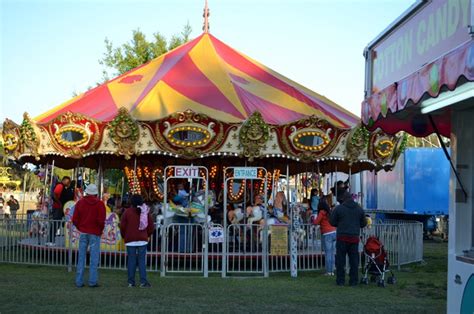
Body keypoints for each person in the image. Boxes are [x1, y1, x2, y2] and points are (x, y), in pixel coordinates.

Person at [329, 189, 367, 286]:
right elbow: (364, 223)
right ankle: (353, 281)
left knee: (340, 261)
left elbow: (332, 222)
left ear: (343, 199)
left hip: (342, 237)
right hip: (354, 238)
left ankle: (340, 281)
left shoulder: (339, 208)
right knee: (354, 261)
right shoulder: (359, 209)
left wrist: (340, 224)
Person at [72, 184, 106, 288]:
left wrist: (80, 227)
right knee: (94, 258)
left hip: (83, 232)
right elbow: (101, 220)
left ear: (87, 192)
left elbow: (75, 219)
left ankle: (79, 281)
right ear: (95, 193)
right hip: (95, 233)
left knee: (81, 257)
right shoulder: (100, 204)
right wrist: (99, 230)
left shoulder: (80, 203)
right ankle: (92, 281)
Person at [120, 194, 155, 288]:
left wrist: (124, 236)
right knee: (141, 261)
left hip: (130, 239)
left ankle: (131, 282)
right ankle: (143, 282)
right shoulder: (145, 212)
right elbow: (151, 226)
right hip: (142, 239)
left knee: (131, 260)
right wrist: (147, 234)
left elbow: (122, 226)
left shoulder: (127, 212)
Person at [313, 198, 336, 276]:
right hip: (334, 232)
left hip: (327, 234)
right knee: (332, 253)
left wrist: (313, 220)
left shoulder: (322, 212)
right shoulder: (330, 212)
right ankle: (332, 270)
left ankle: (328, 271)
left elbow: (316, 222)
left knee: (328, 253)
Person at [49, 176, 73, 244]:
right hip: (57, 208)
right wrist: (59, 202)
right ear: (64, 180)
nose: (68, 183)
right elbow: (54, 194)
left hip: (59, 208)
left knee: (57, 223)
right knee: (55, 223)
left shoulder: (62, 187)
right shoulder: (60, 185)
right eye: (68, 182)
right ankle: (51, 240)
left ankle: (51, 240)